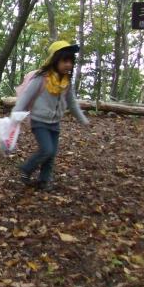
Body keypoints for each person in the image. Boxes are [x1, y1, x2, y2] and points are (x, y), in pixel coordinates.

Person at [12, 41, 89, 191]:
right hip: (39, 121)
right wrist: (15, 115)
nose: (68, 65)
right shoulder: (42, 78)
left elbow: (71, 103)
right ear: (55, 60)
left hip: (55, 122)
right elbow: (26, 97)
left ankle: (44, 180)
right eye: (64, 61)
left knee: (52, 154)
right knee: (46, 149)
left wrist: (82, 119)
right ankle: (26, 168)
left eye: (71, 62)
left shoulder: (66, 82)